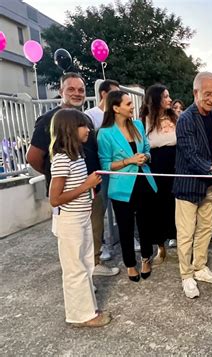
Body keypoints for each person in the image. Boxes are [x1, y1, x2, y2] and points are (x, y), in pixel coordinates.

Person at [27, 72, 119, 277]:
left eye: (81, 90)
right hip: (70, 195)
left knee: (94, 228)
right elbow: (33, 157)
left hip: (92, 187)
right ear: (60, 91)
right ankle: (81, 278)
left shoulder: (85, 118)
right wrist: (61, 178)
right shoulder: (48, 120)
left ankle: (94, 264)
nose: (77, 94)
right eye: (71, 89)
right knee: (74, 241)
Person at [49, 109, 111, 327]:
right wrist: (87, 185)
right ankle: (80, 316)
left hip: (81, 217)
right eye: (84, 126)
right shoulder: (61, 159)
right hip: (70, 221)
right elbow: (54, 198)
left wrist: (88, 185)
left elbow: (77, 186)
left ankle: (86, 309)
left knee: (84, 265)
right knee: (75, 269)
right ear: (70, 129)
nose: (88, 130)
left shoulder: (78, 156)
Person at [173, 72, 212, 299]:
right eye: (207, 94)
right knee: (186, 233)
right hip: (188, 185)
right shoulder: (186, 118)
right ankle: (186, 275)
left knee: (206, 228)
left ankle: (200, 267)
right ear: (195, 92)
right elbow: (191, 154)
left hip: (209, 185)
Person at [97, 90, 158, 282]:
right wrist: (128, 161)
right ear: (116, 108)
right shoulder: (104, 133)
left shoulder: (138, 125)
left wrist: (145, 157)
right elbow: (105, 165)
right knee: (125, 227)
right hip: (122, 187)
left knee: (146, 224)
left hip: (144, 182)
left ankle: (146, 258)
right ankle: (130, 264)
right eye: (128, 104)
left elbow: (148, 150)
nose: (132, 106)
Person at [84, 79, 120, 261]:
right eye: (115, 93)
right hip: (101, 172)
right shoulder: (89, 116)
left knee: (123, 207)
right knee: (99, 212)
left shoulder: (119, 114)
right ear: (104, 94)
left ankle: (124, 237)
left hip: (120, 170)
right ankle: (101, 247)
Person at [140, 84, 177, 254]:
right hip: (154, 166)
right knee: (157, 205)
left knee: (174, 203)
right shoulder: (143, 120)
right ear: (156, 99)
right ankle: (160, 243)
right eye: (165, 96)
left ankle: (176, 237)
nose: (169, 99)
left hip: (175, 164)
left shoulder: (175, 117)